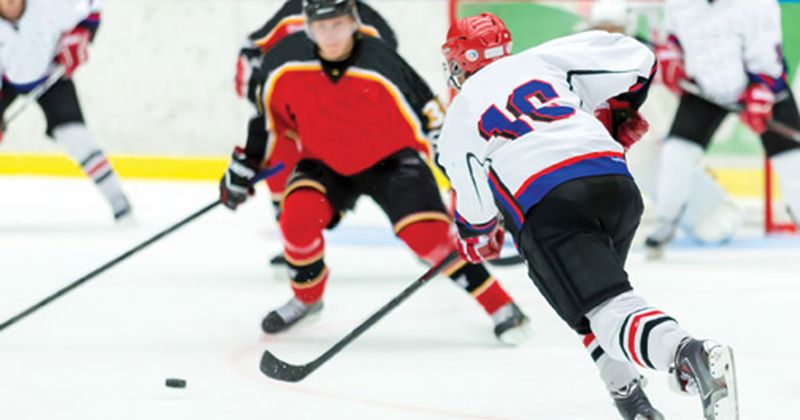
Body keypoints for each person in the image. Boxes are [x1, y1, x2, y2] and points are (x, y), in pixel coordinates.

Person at [437, 13, 738, 419]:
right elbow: (637, 58)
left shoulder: (461, 112)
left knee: (608, 312)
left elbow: (473, 207)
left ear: (461, 59)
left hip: (554, 205)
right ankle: (630, 399)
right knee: (591, 300)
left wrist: (476, 238)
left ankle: (688, 353)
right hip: (616, 186)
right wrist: (617, 116)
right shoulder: (543, 60)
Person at [219, 0, 530, 345]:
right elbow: (266, 121)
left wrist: (461, 176)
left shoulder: (380, 59)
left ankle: (501, 307)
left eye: (338, 24)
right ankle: (307, 299)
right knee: (296, 218)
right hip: (324, 162)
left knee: (429, 237)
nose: (331, 34)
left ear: (353, 21)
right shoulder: (283, 60)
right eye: (322, 27)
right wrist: (245, 164)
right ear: (307, 26)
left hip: (392, 162)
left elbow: (432, 117)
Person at [233, 0, 397, 266]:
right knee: (278, 154)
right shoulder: (291, 12)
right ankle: (295, 242)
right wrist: (265, 98)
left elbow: (390, 72)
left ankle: (420, 224)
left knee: (392, 173)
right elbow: (251, 49)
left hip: (355, 125)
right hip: (300, 116)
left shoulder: (368, 22)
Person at [583, 0, 743, 259]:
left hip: (642, 137)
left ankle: (712, 211)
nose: (607, 34)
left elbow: (660, 95)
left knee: (660, 168)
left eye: (614, 28)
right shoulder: (579, 58)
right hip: (601, 138)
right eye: (602, 27)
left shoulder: (644, 55)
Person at [647, 0, 800, 254]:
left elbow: (768, 58)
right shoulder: (679, 3)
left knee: (792, 160)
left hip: (760, 86)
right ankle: (665, 221)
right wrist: (672, 53)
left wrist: (762, 92)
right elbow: (675, 35)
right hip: (706, 89)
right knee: (677, 152)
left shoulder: (758, 5)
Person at [0, 0, 132, 222]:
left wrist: (80, 34)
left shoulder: (51, 4)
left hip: (51, 75)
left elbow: (91, 7)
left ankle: (119, 201)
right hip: (6, 82)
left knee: (75, 136)